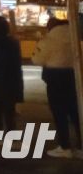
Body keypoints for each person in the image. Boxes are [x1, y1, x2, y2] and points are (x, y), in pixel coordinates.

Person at [33, 18, 80, 155]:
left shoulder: (48, 40)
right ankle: (81, 145)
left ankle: (64, 146)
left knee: (59, 113)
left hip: (55, 77)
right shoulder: (74, 37)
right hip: (73, 76)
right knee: (76, 112)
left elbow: (37, 59)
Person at [0, 16, 24, 131]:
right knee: (9, 110)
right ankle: (11, 133)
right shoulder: (12, 43)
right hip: (11, 79)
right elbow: (16, 64)